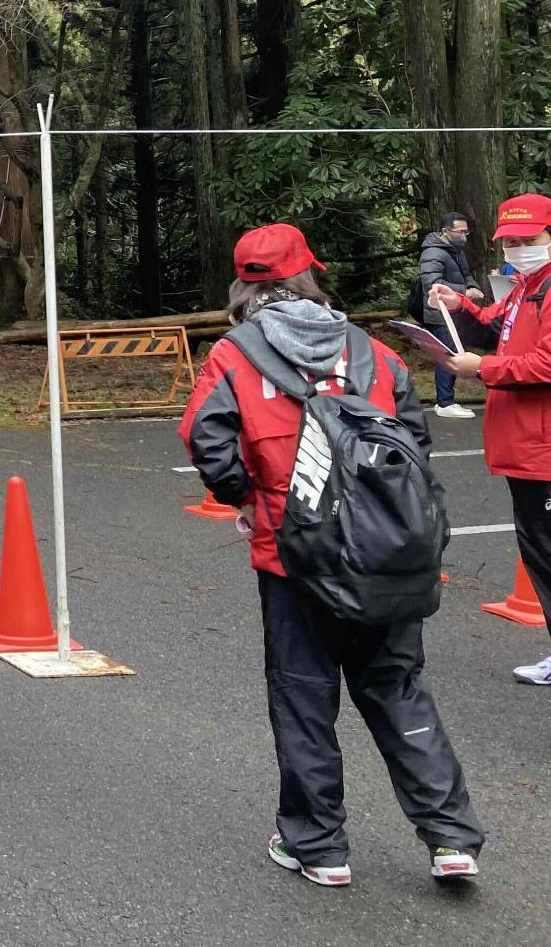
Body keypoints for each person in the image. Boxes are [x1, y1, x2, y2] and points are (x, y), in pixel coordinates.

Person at [182, 222, 482, 887]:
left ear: (243, 286)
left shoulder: (235, 354)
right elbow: (413, 442)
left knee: (304, 697)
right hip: (385, 551)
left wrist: (250, 500)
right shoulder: (371, 351)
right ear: (308, 275)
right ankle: (450, 837)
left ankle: (318, 846)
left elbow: (207, 440)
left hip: (294, 553)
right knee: (398, 688)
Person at [430, 190, 551, 687]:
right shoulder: (527, 286)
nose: (519, 247)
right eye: (511, 241)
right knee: (539, 552)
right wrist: (458, 303)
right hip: (523, 444)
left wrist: (482, 369)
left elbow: (544, 362)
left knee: (546, 551)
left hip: (541, 448)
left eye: (530, 238)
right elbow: (496, 327)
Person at [415, 212, 481, 419]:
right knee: (448, 356)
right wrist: (464, 291)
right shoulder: (433, 253)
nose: (464, 236)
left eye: (466, 231)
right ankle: (445, 402)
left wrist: (472, 287)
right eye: (460, 231)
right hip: (439, 313)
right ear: (445, 231)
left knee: (451, 353)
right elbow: (431, 282)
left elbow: (466, 273)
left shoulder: (455, 251)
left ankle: (446, 400)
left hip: (453, 311)